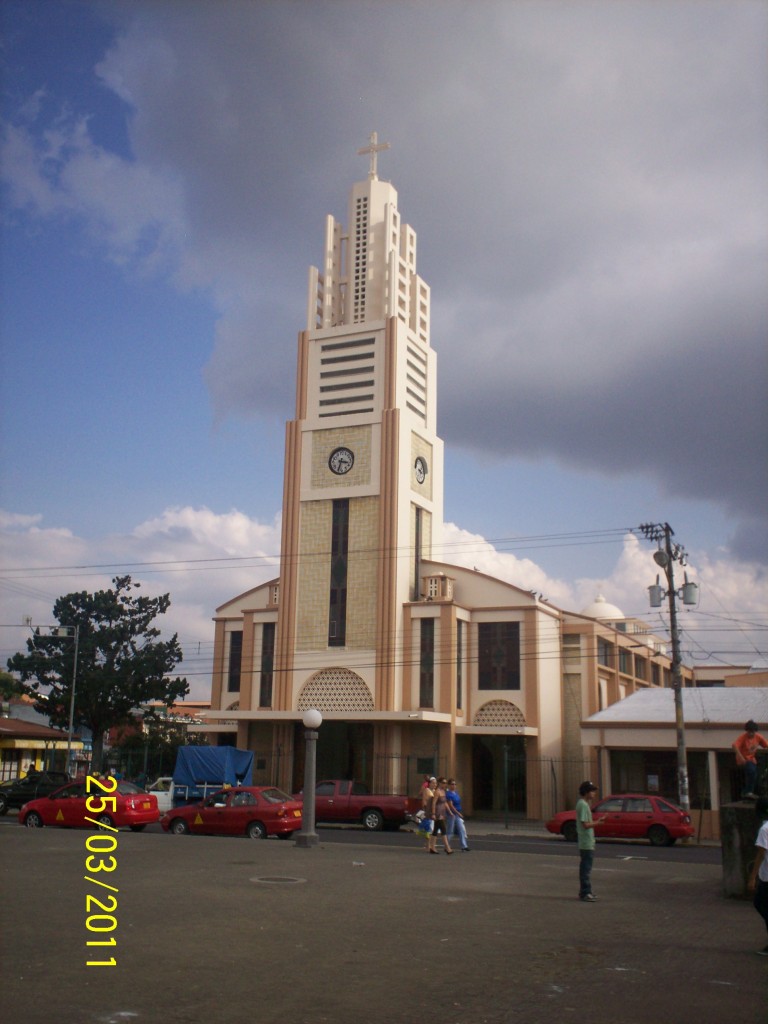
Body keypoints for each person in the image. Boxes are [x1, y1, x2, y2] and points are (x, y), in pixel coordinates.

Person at [575, 780, 605, 902]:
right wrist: (598, 823)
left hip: (588, 841)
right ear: (586, 792)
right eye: (592, 791)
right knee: (586, 869)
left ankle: (586, 891)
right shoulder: (583, 805)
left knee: (586, 867)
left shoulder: (584, 804)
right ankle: (585, 892)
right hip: (585, 841)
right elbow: (585, 824)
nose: (594, 793)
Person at [747, 796, 768, 956]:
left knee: (760, 904)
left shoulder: (764, 829)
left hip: (767, 877)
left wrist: (752, 877)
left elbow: (760, 854)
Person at [732, 720, 768, 798]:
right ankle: (748, 792)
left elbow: (766, 745)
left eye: (752, 732)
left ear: (755, 731)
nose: (751, 734)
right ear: (747, 731)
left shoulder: (758, 737)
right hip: (743, 759)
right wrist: (740, 757)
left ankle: (747, 791)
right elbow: (734, 745)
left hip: (752, 760)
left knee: (755, 775)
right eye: (749, 732)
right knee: (751, 771)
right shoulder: (743, 737)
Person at [428, 778, 454, 855]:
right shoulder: (437, 792)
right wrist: (433, 813)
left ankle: (432, 847)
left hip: (442, 813)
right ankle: (447, 847)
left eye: (445, 783)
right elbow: (433, 803)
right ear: (439, 783)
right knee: (443, 829)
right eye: (443, 782)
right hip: (438, 813)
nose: (444, 784)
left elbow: (445, 802)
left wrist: (449, 811)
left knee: (435, 830)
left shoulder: (443, 791)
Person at [445, 779, 470, 851]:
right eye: (452, 784)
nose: (454, 786)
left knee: (461, 829)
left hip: (457, 814)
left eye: (455, 784)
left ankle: (464, 846)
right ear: (449, 785)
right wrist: (458, 813)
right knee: (450, 830)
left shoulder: (455, 793)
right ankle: (447, 846)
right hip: (452, 814)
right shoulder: (448, 794)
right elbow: (451, 806)